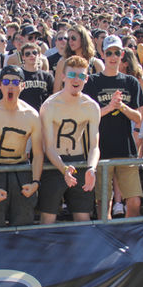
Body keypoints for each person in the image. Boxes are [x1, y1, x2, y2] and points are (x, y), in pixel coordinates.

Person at [83, 36, 143, 218]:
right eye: (109, 52)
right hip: (101, 149)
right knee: (104, 203)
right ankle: (108, 241)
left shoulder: (131, 82)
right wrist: (110, 107)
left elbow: (139, 117)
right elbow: (87, 116)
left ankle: (129, 238)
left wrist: (122, 107)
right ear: (102, 54)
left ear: (122, 55)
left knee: (134, 200)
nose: (113, 56)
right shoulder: (92, 81)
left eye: (117, 52)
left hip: (126, 149)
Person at [0, 65, 43, 228]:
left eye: (15, 81)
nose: (10, 85)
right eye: (5, 81)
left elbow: (38, 154)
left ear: (23, 85)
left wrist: (35, 182)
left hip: (21, 172)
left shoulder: (32, 115)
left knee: (23, 226)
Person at [39, 55, 101, 224]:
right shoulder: (50, 105)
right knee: (48, 216)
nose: (76, 80)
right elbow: (48, 146)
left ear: (86, 79)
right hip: (54, 163)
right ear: (63, 76)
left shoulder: (91, 106)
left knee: (83, 216)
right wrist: (63, 168)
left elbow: (95, 145)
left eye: (81, 76)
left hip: (79, 162)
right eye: (72, 75)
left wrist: (91, 168)